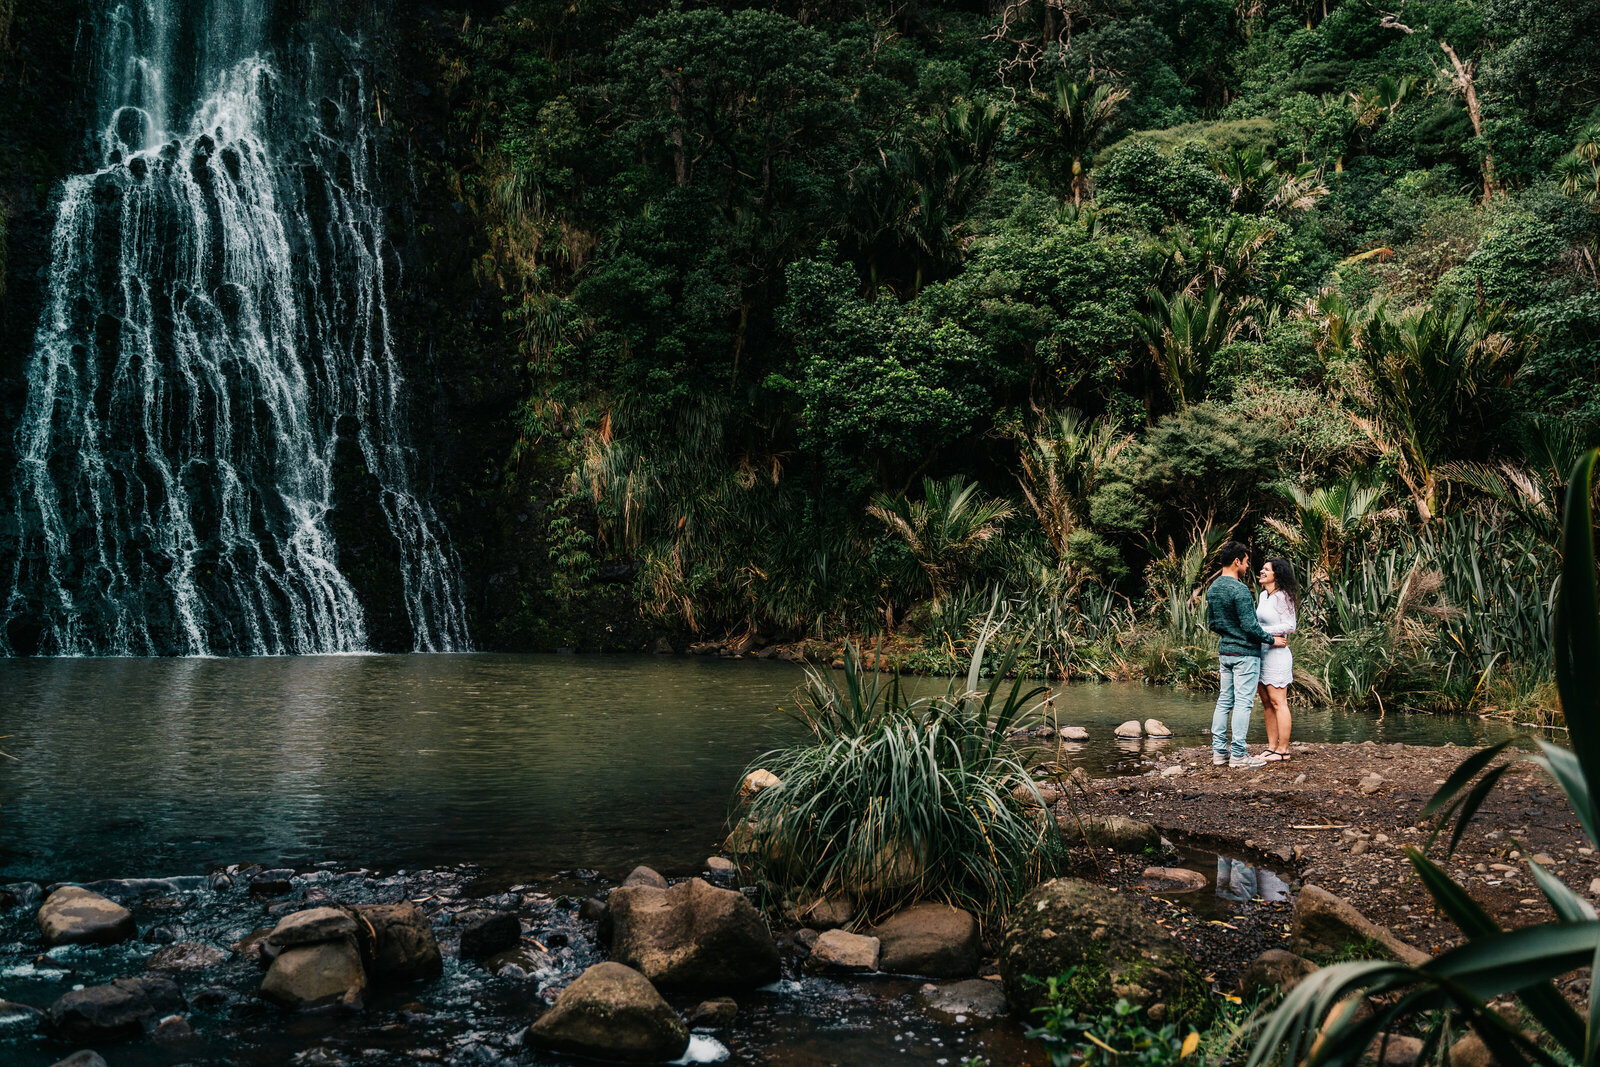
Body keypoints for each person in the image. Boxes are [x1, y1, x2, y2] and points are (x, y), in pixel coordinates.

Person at [1204, 542, 1285, 768]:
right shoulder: (1239, 589)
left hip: (1225, 652)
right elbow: (1251, 627)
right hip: (1245, 654)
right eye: (1247, 562)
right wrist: (1272, 640)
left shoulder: (1213, 589)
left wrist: (1229, 633)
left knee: (1224, 701)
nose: (1248, 567)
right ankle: (1238, 756)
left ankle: (1219, 753)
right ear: (1237, 561)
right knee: (1243, 704)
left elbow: (1212, 623)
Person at [1256, 558, 1299, 762]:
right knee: (1266, 702)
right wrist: (1263, 636)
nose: (1262, 571)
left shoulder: (1283, 597)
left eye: (1266, 569)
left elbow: (1290, 625)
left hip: (1278, 654)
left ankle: (1284, 749)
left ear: (1277, 574)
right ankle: (1272, 746)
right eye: (1262, 568)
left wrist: (1262, 632)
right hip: (1262, 652)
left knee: (1278, 701)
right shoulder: (1263, 596)